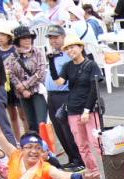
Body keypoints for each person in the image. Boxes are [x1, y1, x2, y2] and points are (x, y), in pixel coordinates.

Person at [49, 34, 103, 179]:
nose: (70, 51)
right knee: (82, 145)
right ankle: (93, 173)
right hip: (72, 109)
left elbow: (94, 89)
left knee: (98, 143)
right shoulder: (68, 66)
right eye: (67, 48)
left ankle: (113, 171)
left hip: (90, 110)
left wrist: (87, 110)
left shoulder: (91, 65)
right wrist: (51, 62)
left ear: (80, 47)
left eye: (72, 47)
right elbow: (59, 82)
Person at [45, 24, 84, 171]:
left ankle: (79, 159)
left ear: (63, 37)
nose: (53, 41)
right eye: (51, 38)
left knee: (69, 129)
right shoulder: (52, 55)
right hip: (52, 95)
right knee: (59, 129)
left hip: (65, 94)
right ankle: (72, 158)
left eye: (56, 37)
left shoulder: (69, 54)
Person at [6, 26, 48, 129]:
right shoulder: (12, 56)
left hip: (37, 90)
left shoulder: (37, 53)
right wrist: (22, 89)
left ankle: (44, 139)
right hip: (22, 93)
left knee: (41, 122)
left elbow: (41, 72)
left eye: (29, 37)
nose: (27, 40)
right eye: (24, 38)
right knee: (31, 123)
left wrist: (25, 85)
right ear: (18, 40)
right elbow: (11, 74)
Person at [0, 24, 27, 142]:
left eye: (2, 35)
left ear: (8, 37)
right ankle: (17, 141)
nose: (0, 37)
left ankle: (27, 138)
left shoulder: (15, 49)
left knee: (23, 115)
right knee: (12, 116)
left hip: (17, 84)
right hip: (5, 87)